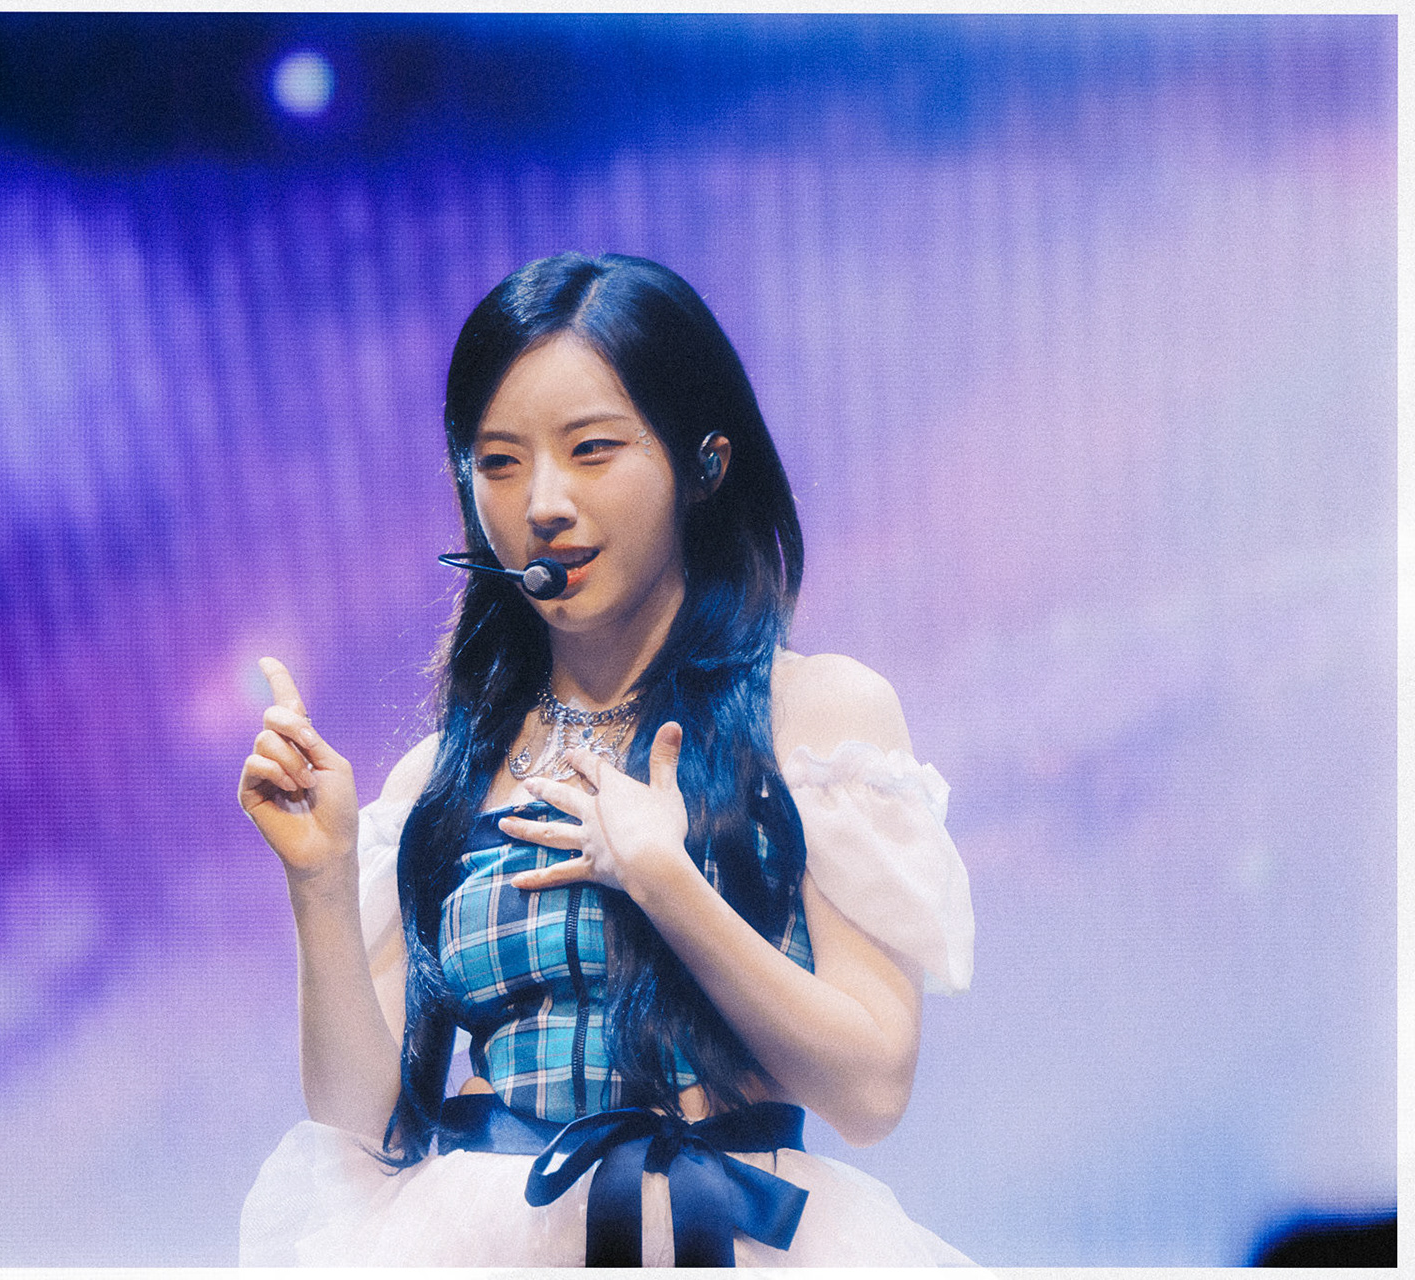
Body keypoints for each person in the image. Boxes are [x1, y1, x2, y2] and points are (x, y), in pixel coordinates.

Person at [236, 253, 976, 1267]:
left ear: (704, 464)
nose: (544, 502)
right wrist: (319, 882)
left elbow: (873, 1088)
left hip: (726, 1230)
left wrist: (669, 882)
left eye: (591, 450)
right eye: (499, 462)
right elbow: (366, 1126)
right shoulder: (438, 780)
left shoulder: (817, 716)